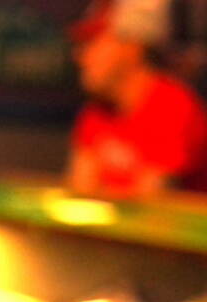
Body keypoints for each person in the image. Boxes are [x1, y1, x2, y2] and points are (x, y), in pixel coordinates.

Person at [68, 0, 207, 198]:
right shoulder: (96, 112)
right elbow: (79, 197)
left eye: (93, 42)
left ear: (132, 46)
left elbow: (151, 213)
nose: (80, 56)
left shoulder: (173, 108)